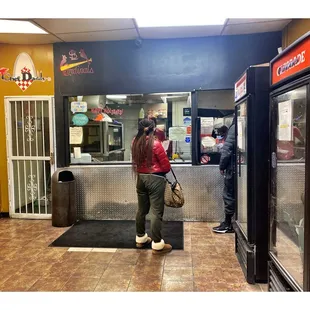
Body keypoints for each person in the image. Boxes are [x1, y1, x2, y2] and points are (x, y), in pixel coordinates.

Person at [131, 118, 172, 254]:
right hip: (155, 179)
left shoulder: (134, 142)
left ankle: (141, 238)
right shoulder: (156, 143)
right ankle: (157, 243)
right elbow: (166, 167)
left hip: (140, 178)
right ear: (153, 128)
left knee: (141, 210)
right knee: (156, 211)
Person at [213, 118, 236, 233]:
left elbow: (227, 150)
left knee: (228, 195)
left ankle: (228, 224)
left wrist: (222, 166)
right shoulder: (247, 123)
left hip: (232, 168)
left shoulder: (234, 127)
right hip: (242, 167)